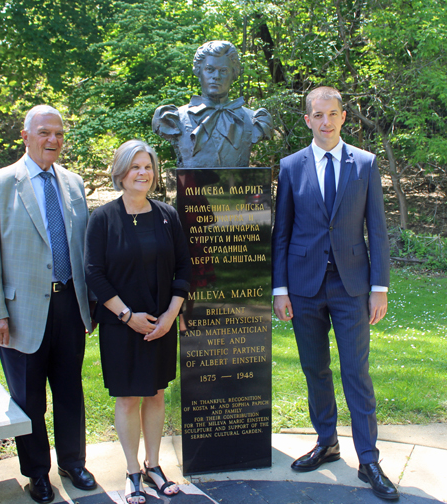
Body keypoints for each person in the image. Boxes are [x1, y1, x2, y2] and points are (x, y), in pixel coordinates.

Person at [272, 87, 398, 501]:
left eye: (333, 114)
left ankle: (369, 459)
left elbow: (377, 230)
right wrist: (280, 289)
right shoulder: (290, 167)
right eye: (317, 115)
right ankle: (326, 442)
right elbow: (282, 232)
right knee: (316, 370)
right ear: (307, 119)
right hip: (304, 287)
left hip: (352, 287)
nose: (325, 122)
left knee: (356, 372)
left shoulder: (364, 163)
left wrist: (379, 288)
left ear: (343, 117)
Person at [0, 105, 97, 504]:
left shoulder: (74, 184)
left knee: (69, 390)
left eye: (59, 134)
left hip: (69, 307)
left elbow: (82, 249)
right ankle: (37, 473)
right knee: (28, 398)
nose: (53, 140)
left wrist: (89, 305)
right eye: (44, 133)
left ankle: (73, 463)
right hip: (19, 314)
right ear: (25, 136)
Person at [84, 140, 191, 504]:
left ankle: (153, 465)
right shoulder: (103, 219)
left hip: (162, 324)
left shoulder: (167, 214)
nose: (143, 173)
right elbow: (94, 274)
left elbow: (183, 266)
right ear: (120, 173)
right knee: (129, 397)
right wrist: (128, 316)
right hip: (121, 325)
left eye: (148, 167)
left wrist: (171, 315)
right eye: (135, 167)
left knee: (156, 393)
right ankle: (132, 470)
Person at [152, 40, 273, 168]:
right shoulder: (174, 118)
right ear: (198, 72)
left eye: (224, 71)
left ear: (234, 74)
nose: (216, 76)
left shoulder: (254, 120)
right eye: (209, 69)